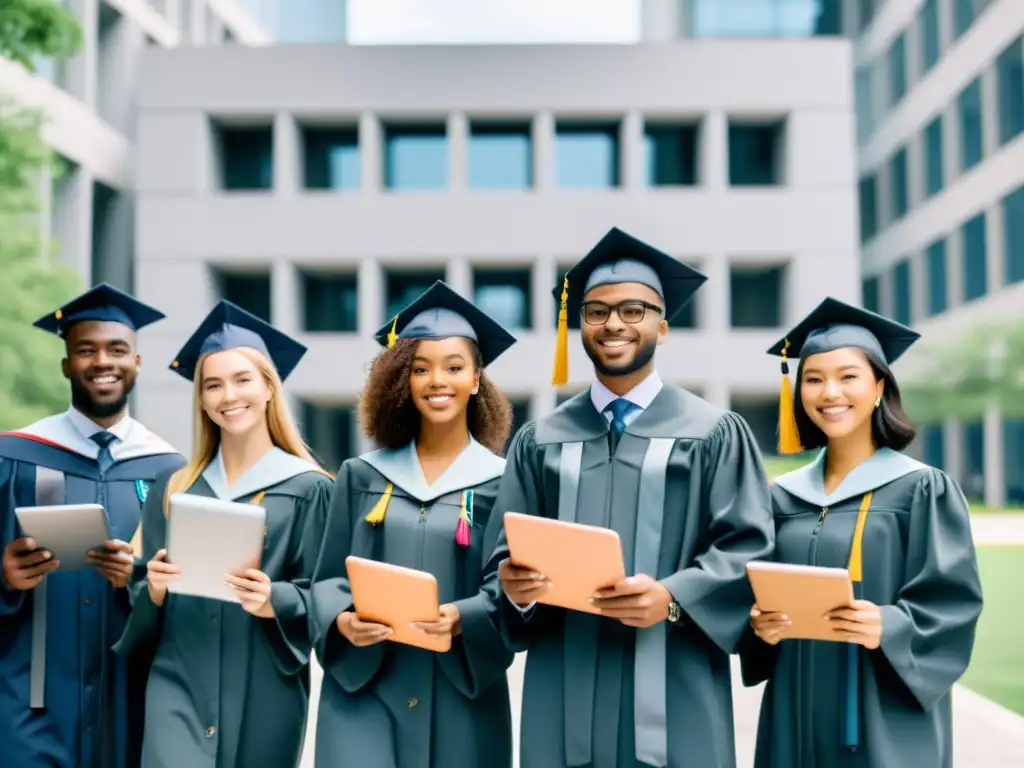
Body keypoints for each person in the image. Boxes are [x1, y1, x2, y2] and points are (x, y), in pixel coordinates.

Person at [482, 227, 776, 768]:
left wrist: (673, 596)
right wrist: (516, 587)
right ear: (579, 326)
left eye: (634, 310)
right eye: (595, 312)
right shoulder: (540, 440)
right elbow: (502, 556)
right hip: (563, 680)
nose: (613, 323)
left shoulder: (713, 433)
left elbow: (748, 550)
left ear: (662, 328)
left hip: (676, 679)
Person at [742, 297, 983, 767]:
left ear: (878, 387)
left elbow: (953, 604)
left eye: (848, 376)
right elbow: (750, 598)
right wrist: (757, 628)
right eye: (813, 379)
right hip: (795, 717)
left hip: (884, 720)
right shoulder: (781, 498)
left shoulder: (922, 490)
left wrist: (888, 624)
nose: (829, 392)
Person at [112, 300, 334, 768]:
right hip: (178, 685)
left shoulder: (310, 488)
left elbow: (329, 592)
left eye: (242, 380)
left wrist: (276, 598)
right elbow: (138, 595)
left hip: (265, 689)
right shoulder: (174, 487)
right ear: (202, 399)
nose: (228, 396)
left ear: (270, 388)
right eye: (213, 385)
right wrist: (150, 586)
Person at [310, 280, 518, 768]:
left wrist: (464, 617)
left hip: (462, 692)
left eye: (453, 367)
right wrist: (341, 618)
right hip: (367, 689)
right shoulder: (361, 475)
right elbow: (325, 578)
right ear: (403, 381)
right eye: (420, 369)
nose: (436, 381)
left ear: (476, 379)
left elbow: (509, 585)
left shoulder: (503, 482)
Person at [0, 283, 184, 768]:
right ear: (67, 364)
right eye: (86, 350)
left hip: (131, 698)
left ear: (137, 363)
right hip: (29, 700)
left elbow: (189, 599)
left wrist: (138, 582)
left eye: (117, 349)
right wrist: (4, 579)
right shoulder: (15, 455)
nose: (103, 361)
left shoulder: (170, 470)